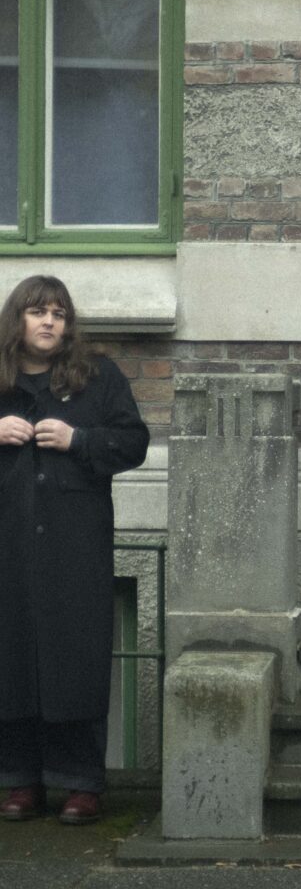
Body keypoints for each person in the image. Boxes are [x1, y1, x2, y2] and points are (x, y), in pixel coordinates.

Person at [0, 276, 149, 824]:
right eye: (37, 311)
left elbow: (134, 442)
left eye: (58, 314)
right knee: (10, 659)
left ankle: (82, 783)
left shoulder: (98, 377)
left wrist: (79, 440)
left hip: (75, 544)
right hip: (8, 546)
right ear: (17, 319)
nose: (48, 322)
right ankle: (19, 780)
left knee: (76, 661)